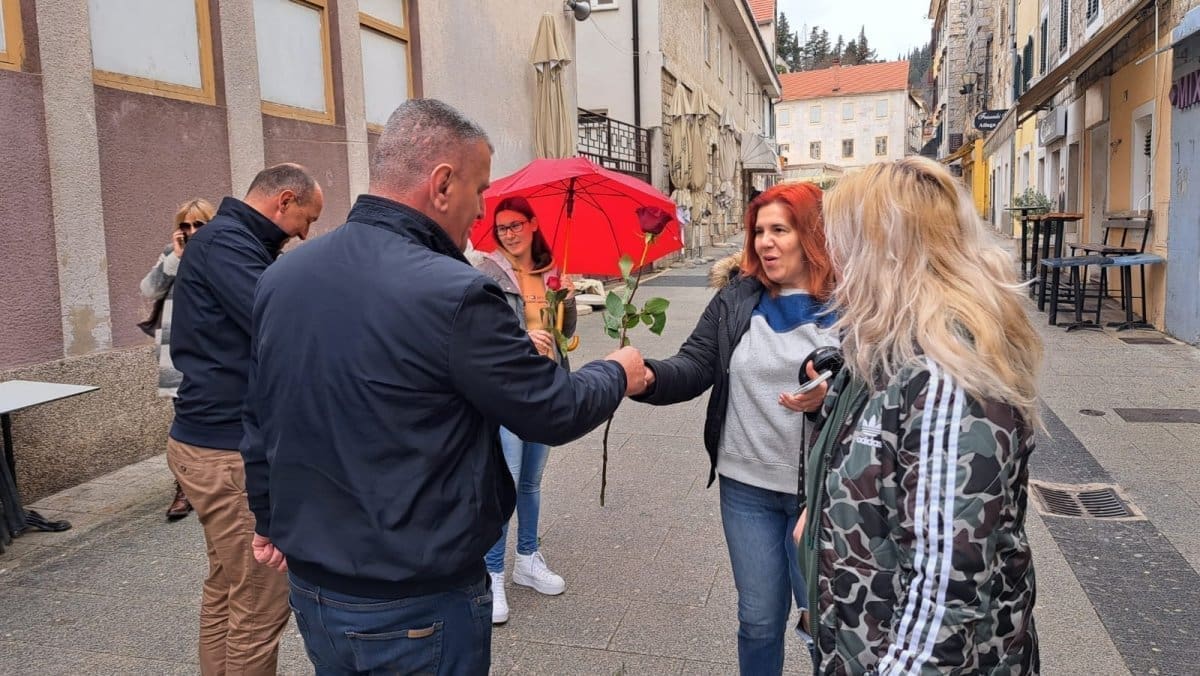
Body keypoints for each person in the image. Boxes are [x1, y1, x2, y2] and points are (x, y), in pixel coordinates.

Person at [240, 99, 646, 674]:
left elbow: (259, 417)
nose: (481, 213)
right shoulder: (455, 292)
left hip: (314, 588)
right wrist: (617, 371)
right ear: (442, 183)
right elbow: (550, 410)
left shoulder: (283, 276)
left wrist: (268, 517)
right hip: (416, 600)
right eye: (480, 191)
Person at [800, 157, 1042, 674]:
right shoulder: (890, 352)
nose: (831, 261)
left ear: (884, 254)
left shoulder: (945, 380)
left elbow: (943, 601)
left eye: (841, 243)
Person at [634, 182, 838, 674]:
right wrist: (644, 377)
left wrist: (833, 397)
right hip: (746, 488)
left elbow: (881, 389)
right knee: (758, 622)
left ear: (810, 233)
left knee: (826, 627)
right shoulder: (737, 298)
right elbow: (696, 363)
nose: (765, 242)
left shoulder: (853, 303)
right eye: (759, 231)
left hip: (823, 493)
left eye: (779, 230)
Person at [168, 163, 324, 676]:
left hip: (208, 443)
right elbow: (281, 322)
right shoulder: (226, 244)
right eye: (306, 218)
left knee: (227, 590)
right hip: (227, 450)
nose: (306, 233)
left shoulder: (230, 242)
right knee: (260, 606)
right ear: (283, 201)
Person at [474, 196, 576, 624]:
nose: (509, 235)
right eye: (502, 229)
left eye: (515, 225)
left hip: (546, 389)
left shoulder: (553, 273)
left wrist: (566, 301)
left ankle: (527, 558)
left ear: (533, 224)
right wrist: (522, 341)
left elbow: (567, 336)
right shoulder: (488, 274)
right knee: (507, 480)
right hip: (508, 392)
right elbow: (478, 336)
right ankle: (491, 573)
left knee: (531, 481)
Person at [139, 198, 215, 520]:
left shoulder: (221, 252)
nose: (192, 231)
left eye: (199, 224)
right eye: (185, 225)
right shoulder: (172, 256)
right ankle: (184, 489)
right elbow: (149, 290)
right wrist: (175, 259)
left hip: (212, 350)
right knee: (183, 417)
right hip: (176, 349)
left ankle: (217, 480)